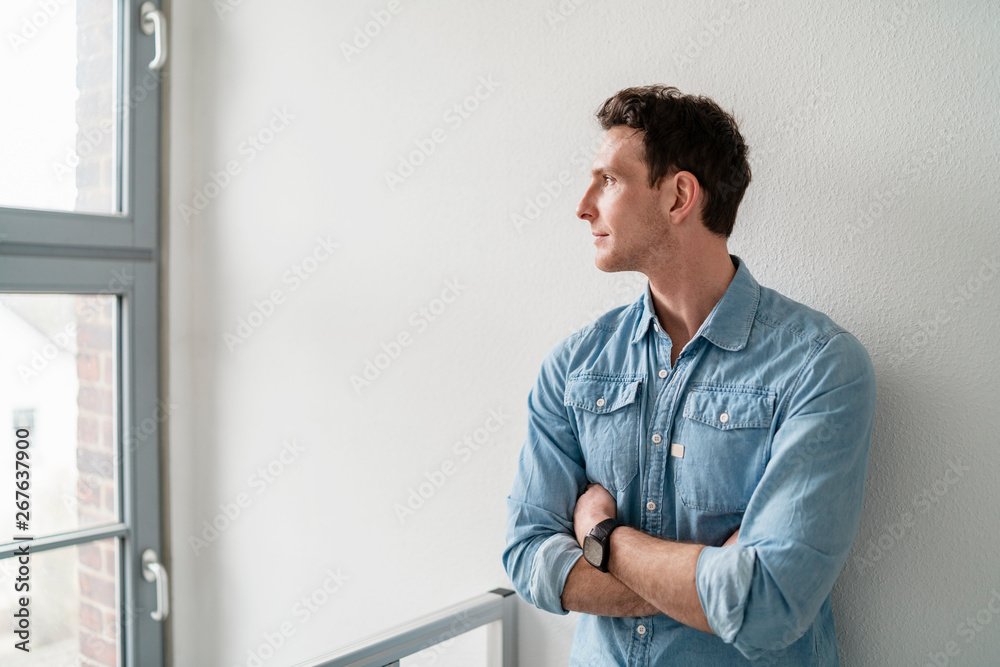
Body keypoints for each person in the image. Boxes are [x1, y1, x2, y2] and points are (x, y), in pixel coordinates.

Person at [502, 85, 877, 664]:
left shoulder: (820, 366)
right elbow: (528, 555)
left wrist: (603, 537)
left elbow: (768, 602)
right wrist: (708, 578)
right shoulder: (575, 366)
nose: (582, 206)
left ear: (679, 196)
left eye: (609, 180)